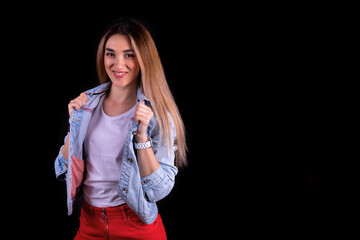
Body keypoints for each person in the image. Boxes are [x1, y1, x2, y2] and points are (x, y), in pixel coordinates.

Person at [54, 18, 187, 240]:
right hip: (89, 224)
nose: (118, 64)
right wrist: (73, 124)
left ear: (144, 59)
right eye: (110, 54)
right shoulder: (87, 105)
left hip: (136, 225)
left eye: (129, 55)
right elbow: (62, 169)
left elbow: (158, 190)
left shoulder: (158, 114)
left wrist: (141, 135)